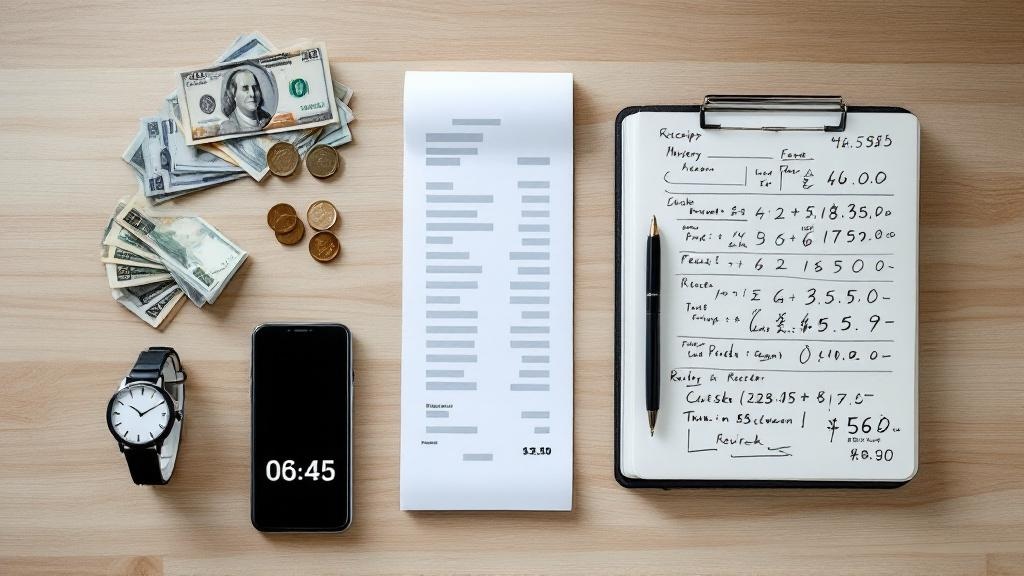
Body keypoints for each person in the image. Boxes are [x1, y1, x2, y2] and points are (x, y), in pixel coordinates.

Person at [218, 69, 272, 135]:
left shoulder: (268, 119)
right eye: (245, 88)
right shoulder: (228, 129)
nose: (252, 94)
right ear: (233, 93)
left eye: (255, 87)